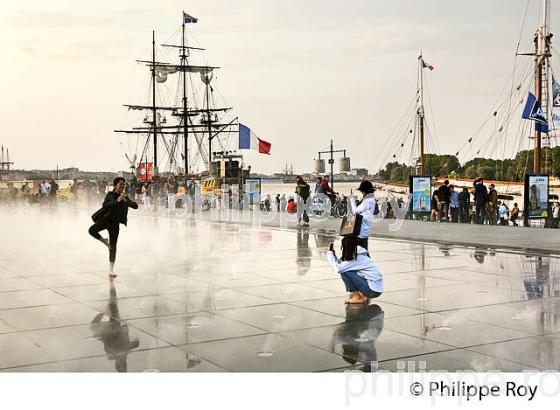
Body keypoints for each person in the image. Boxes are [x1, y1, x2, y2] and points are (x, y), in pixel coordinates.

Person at [88, 177, 138, 278]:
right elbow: (105, 205)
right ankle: (105, 241)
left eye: (123, 184)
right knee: (92, 230)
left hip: (115, 224)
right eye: (120, 184)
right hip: (106, 220)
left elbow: (135, 206)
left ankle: (111, 270)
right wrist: (117, 200)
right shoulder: (111, 195)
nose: (122, 186)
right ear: (115, 185)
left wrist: (126, 201)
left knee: (113, 247)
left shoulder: (125, 197)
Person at [327, 236, 383, 304]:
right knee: (348, 270)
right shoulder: (359, 255)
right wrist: (334, 255)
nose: (342, 249)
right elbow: (343, 264)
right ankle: (363, 295)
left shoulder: (356, 259)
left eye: (343, 247)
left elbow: (338, 269)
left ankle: (356, 297)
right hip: (376, 289)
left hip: (372, 291)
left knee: (345, 273)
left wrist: (329, 255)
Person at [350, 180, 376, 250]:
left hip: (360, 230)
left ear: (365, 191)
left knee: (356, 253)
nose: (361, 192)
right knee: (364, 252)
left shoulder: (367, 201)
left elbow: (355, 211)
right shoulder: (371, 200)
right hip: (366, 230)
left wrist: (352, 200)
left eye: (362, 191)